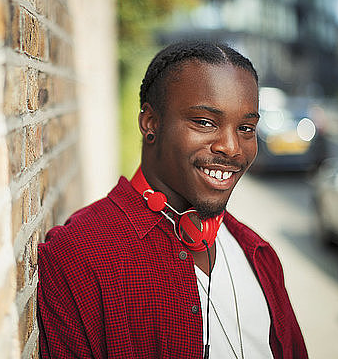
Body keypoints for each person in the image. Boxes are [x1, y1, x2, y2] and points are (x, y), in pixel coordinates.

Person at [37, 41, 308, 358]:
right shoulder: (78, 255)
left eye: (246, 128)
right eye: (205, 122)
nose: (232, 148)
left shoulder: (259, 255)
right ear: (151, 123)